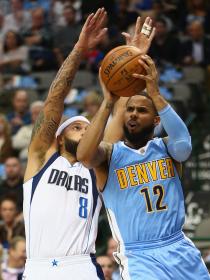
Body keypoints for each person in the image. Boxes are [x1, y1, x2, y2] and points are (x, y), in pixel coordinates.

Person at [77, 54, 210, 278]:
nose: (134, 114)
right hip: (139, 255)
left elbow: (184, 146)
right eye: (130, 110)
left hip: (178, 247)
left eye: (142, 110)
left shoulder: (167, 148)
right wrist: (109, 102)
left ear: (156, 120)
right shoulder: (110, 155)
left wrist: (155, 94)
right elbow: (85, 156)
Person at [22, 8, 107, 280]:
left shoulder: (98, 168)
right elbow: (54, 101)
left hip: (81, 264)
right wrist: (80, 49)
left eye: (88, 128)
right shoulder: (40, 158)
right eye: (77, 126)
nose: (84, 131)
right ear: (58, 136)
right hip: (37, 265)